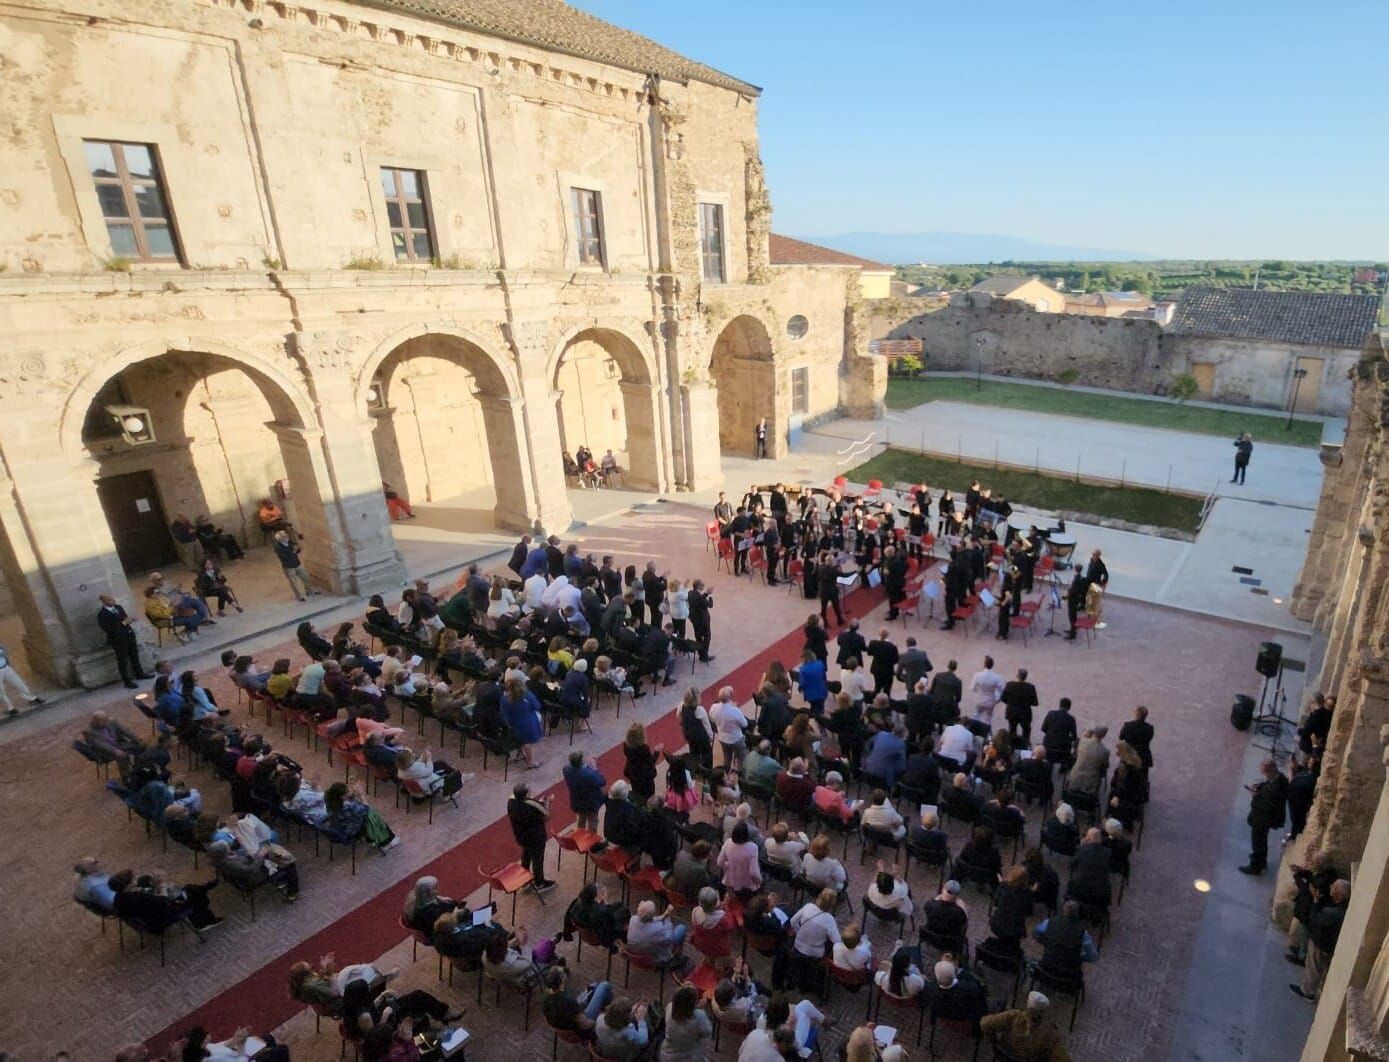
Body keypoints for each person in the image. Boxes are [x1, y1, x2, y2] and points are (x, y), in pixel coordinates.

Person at [979, 991, 1072, 1062]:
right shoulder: (1049, 1034)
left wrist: (993, 1042)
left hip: (1004, 1056)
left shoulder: (1013, 1016)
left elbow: (984, 1023)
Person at [542, 965, 614, 1044]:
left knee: (594, 987)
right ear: (562, 980)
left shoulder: (545, 996)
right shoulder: (568, 1002)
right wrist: (600, 1020)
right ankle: (609, 1012)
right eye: (563, 972)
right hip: (579, 1031)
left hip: (564, 1024)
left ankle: (604, 1005)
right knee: (604, 985)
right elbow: (585, 1024)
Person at [1241, 758, 1290, 875]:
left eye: (1264, 773)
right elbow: (1268, 785)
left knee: (1258, 842)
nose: (1264, 776)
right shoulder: (1280, 778)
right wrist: (1261, 786)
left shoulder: (1275, 788)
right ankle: (1261, 861)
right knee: (1262, 841)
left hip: (1262, 820)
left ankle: (1255, 866)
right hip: (1265, 819)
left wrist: (1255, 796)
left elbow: (1266, 805)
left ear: (1270, 771)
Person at [508, 783, 556, 893]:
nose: (532, 791)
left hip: (521, 836)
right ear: (525, 795)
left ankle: (524, 881)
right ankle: (539, 883)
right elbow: (546, 816)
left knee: (526, 856)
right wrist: (547, 802)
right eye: (529, 791)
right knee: (537, 859)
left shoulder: (510, 802)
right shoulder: (532, 805)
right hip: (536, 837)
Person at [97, 594, 149, 689]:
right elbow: (109, 629)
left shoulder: (118, 607)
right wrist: (124, 623)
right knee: (122, 660)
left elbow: (124, 617)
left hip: (128, 635)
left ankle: (139, 673)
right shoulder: (102, 615)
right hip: (118, 640)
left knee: (134, 655)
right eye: (109, 600)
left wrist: (130, 620)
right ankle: (127, 681)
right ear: (104, 602)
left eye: (112, 599)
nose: (112, 601)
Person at [627, 900, 687, 965]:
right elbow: (669, 938)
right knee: (682, 928)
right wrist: (668, 918)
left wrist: (664, 915)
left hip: (635, 954)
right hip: (653, 957)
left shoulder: (633, 919)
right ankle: (675, 957)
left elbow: (649, 920)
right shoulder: (658, 928)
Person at [564, 751, 607, 832]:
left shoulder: (566, 769)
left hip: (577, 801)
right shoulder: (589, 775)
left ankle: (579, 837)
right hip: (590, 803)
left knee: (581, 819)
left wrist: (587, 766)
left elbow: (579, 771)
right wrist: (594, 768)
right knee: (593, 821)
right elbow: (602, 781)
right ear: (581, 761)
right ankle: (592, 842)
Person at [0, 642, 43, 715]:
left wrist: (8, 663)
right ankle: (10, 708)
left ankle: (32, 698)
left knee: (19, 683)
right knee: (1, 691)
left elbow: (4, 651)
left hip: (5, 667)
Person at [1001, 668, 1039, 745]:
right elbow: (1035, 702)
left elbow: (1003, 698)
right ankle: (1024, 747)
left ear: (1017, 675)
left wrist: (1010, 703)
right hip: (1025, 714)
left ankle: (1012, 746)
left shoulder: (1009, 685)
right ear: (1026, 677)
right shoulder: (1030, 687)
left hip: (1012, 712)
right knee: (1026, 732)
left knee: (1012, 730)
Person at [273, 530, 312, 601]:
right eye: (283, 536)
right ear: (280, 539)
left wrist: (298, 549)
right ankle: (300, 596)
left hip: (297, 563)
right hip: (289, 567)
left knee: (305, 577)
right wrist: (293, 552)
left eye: (285, 534)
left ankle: (310, 591)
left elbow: (297, 550)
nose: (286, 536)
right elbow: (284, 557)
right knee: (294, 582)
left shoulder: (290, 542)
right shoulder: (278, 547)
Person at [1118, 705, 1155, 770]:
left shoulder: (1128, 726)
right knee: (1142, 778)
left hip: (1129, 756)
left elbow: (1121, 737)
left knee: (1125, 777)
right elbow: (1149, 738)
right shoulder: (1149, 728)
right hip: (1143, 758)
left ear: (1136, 714)